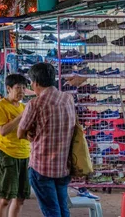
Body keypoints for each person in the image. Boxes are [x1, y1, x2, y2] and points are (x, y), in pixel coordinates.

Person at [17, 63, 76, 217]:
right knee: (63, 208)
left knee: (51, 211)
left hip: (42, 166)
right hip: (64, 165)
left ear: (35, 82)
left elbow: (20, 132)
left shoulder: (35, 104)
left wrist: (30, 133)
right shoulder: (68, 99)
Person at [0, 74, 30, 217]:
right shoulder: (1, 106)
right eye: (18, 88)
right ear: (9, 88)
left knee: (20, 198)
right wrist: (20, 117)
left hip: (24, 154)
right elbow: (2, 131)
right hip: (6, 154)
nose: (21, 91)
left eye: (23, 88)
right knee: (4, 198)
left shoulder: (23, 106)